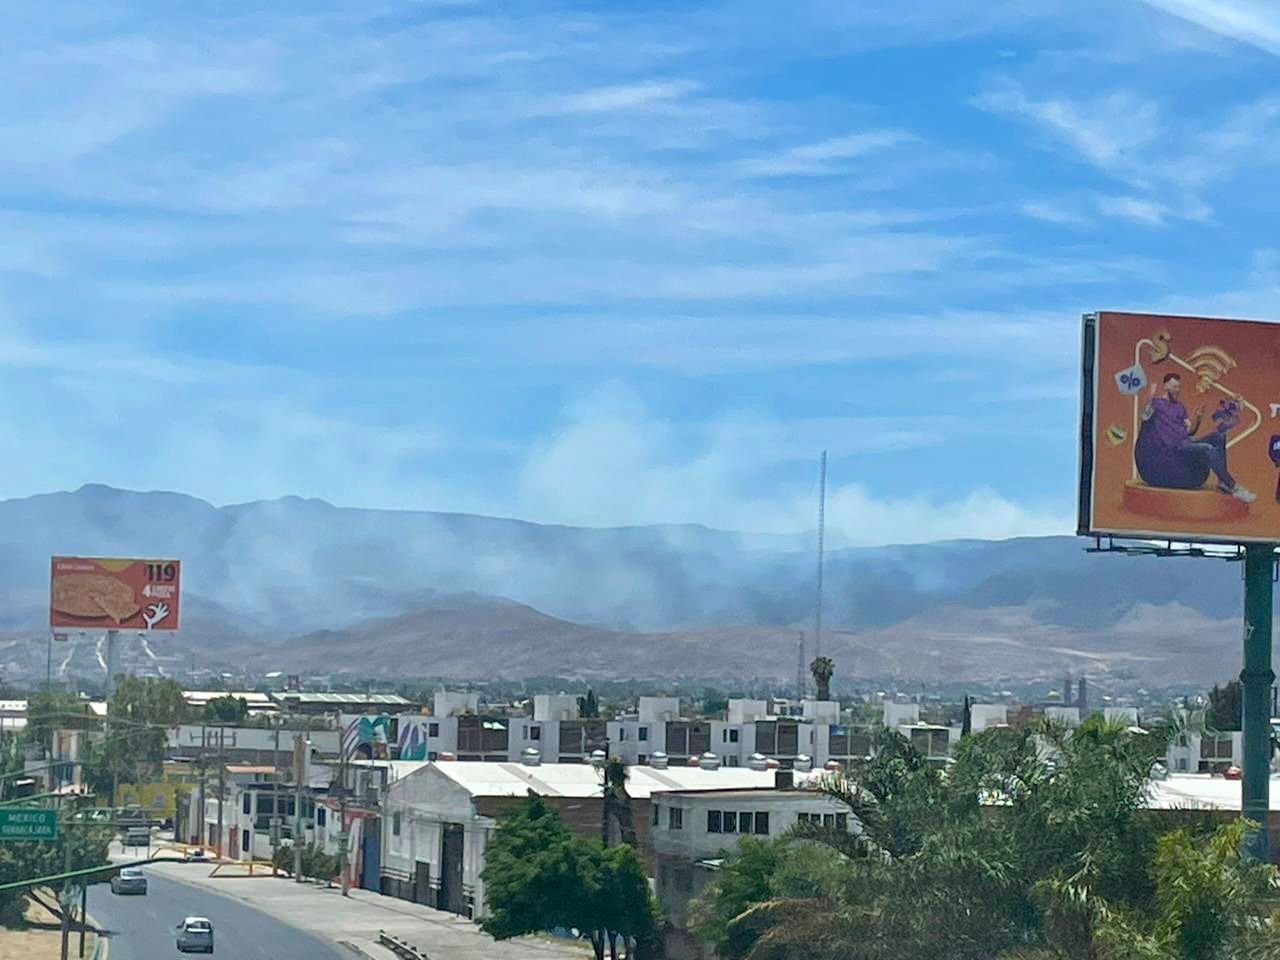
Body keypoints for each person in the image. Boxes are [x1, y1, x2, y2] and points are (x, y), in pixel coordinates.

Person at [1134, 372, 1255, 501]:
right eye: (1174, 386)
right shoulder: (1156, 403)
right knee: (1207, 448)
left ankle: (1223, 482)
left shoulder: (1180, 407)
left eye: (1178, 387)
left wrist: (1197, 418)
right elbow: (1145, 416)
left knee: (1219, 437)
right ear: (1165, 386)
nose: (1177, 390)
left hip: (1183, 445)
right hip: (1170, 450)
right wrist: (1149, 398)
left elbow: (1190, 432)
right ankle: (1233, 486)